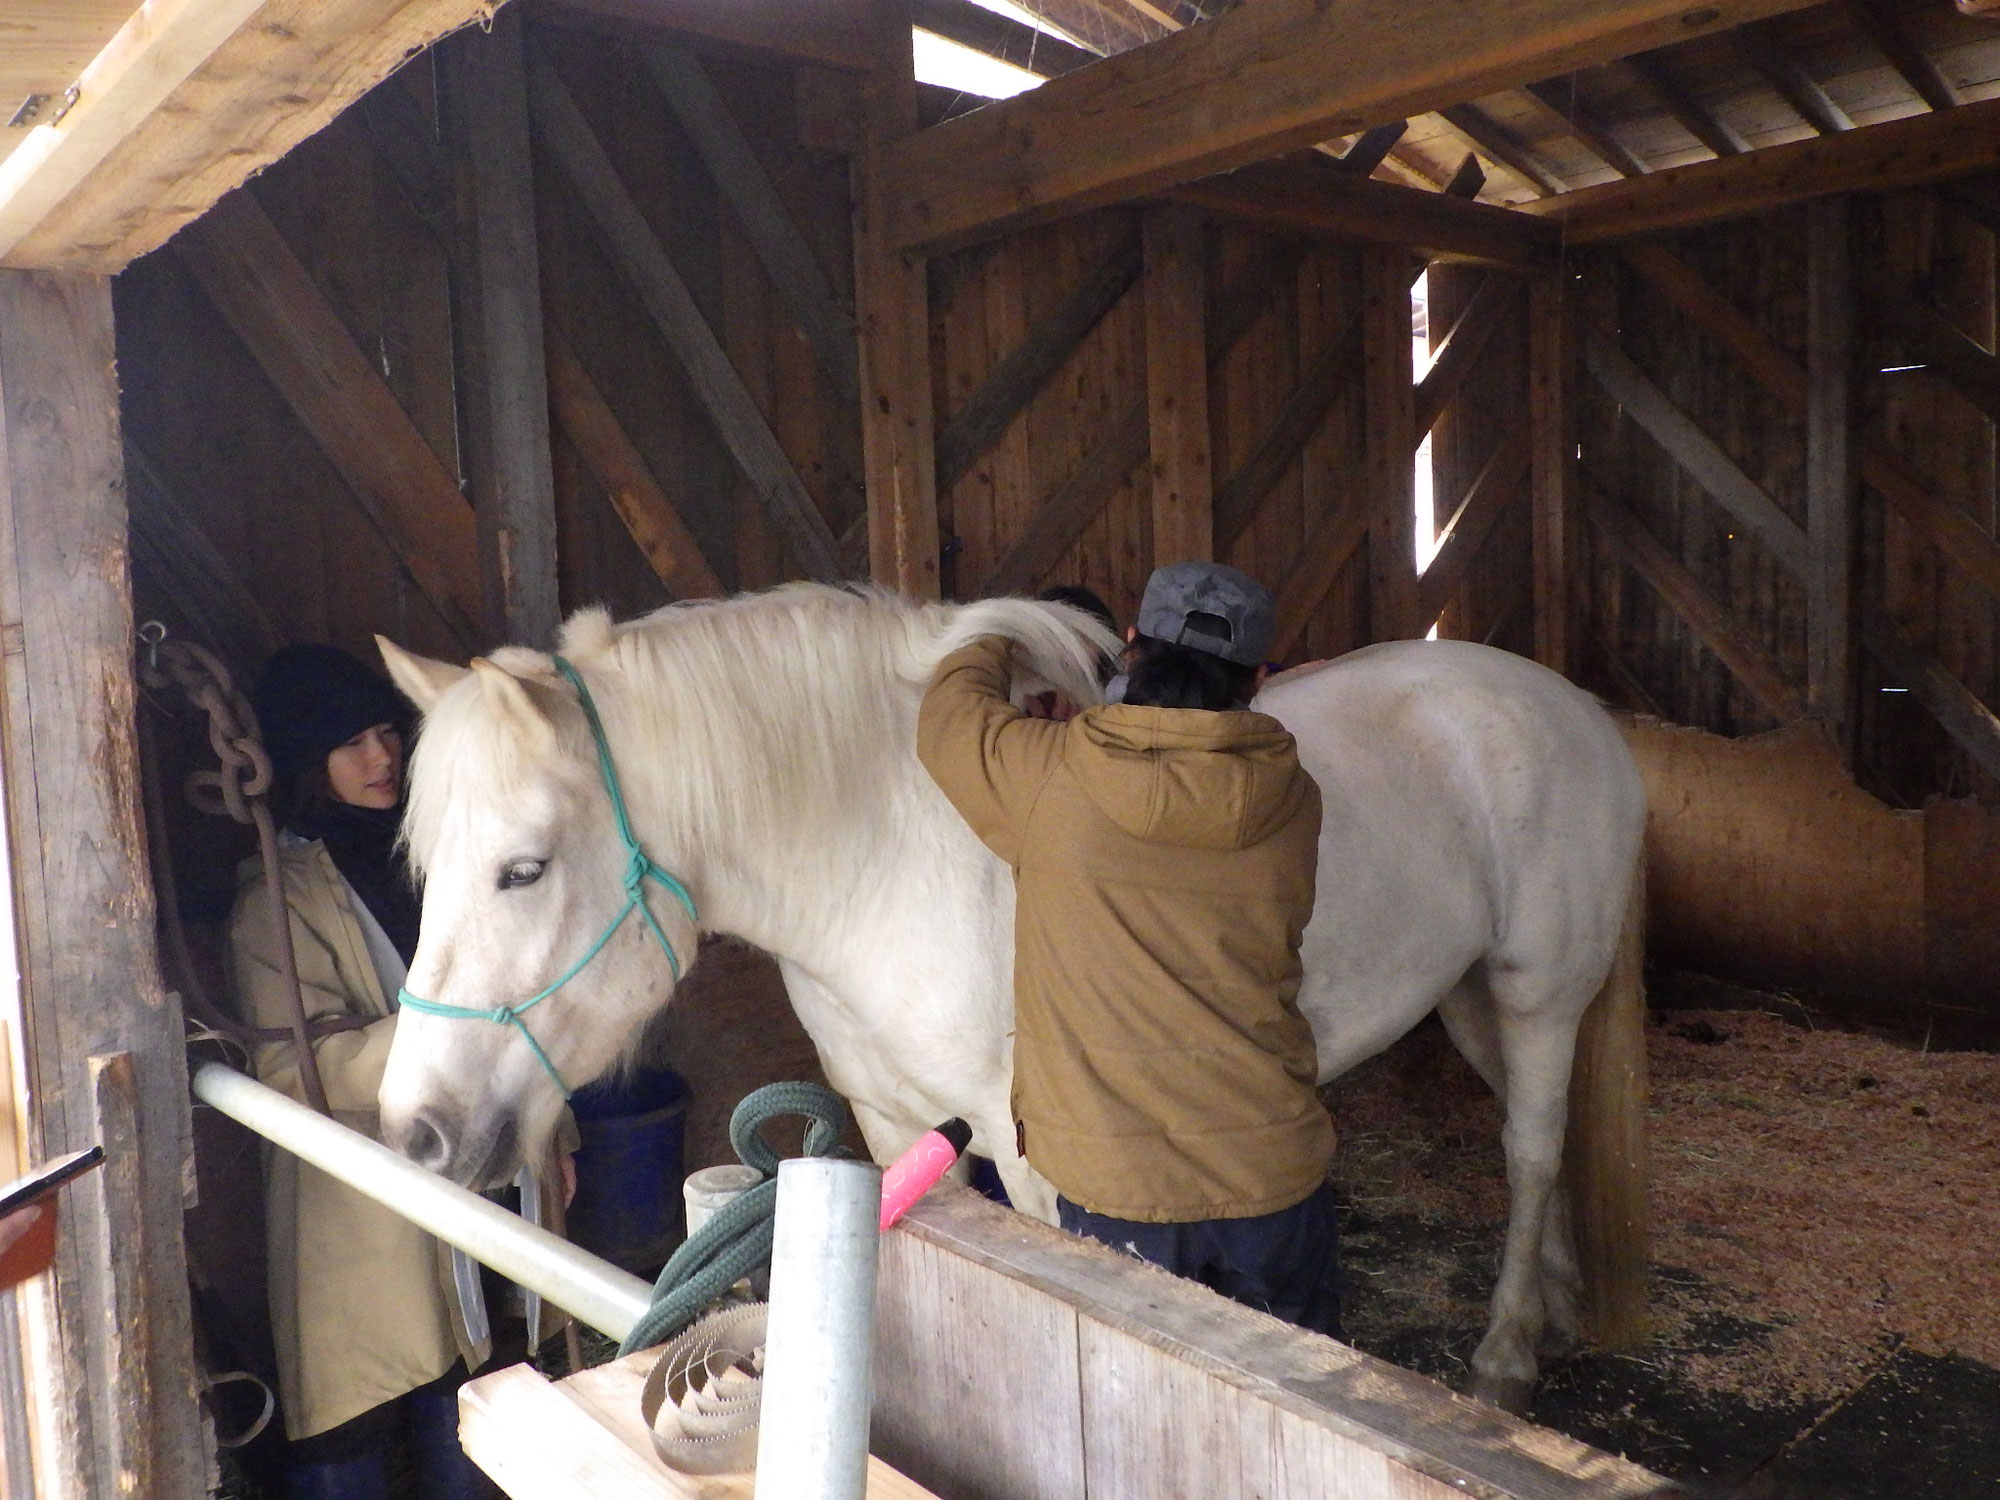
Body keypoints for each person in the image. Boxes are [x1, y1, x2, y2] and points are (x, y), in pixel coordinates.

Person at [917, 563, 1341, 1336]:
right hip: (1272, 1171)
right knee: (1300, 1416)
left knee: (1138, 1427)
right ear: (1259, 679)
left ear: (1134, 646)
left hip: (1119, 1187)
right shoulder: (1295, 797)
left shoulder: (1050, 776)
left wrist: (1011, 628)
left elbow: (947, 716)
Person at [229, 644, 497, 1500]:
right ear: (310, 762)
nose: (381, 756)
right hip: (355, 1215)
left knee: (470, 1398)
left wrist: (551, 1130)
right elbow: (290, 1065)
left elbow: (520, 1017)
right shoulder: (278, 896)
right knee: (361, 1415)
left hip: (473, 1181)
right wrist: (450, 1039)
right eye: (350, 742)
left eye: (386, 731)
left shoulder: (437, 860)